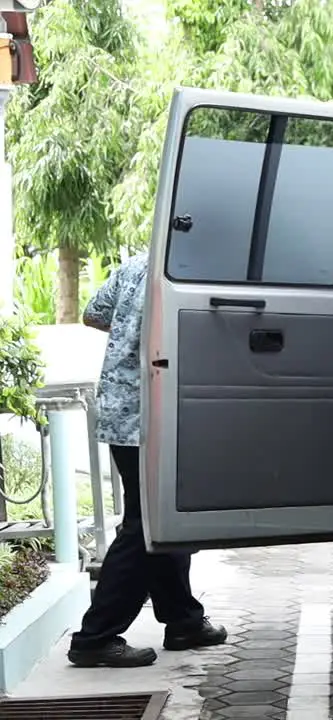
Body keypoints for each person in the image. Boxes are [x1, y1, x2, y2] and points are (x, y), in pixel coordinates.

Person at [67, 254, 227, 669]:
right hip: (154, 412)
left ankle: (183, 620)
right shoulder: (191, 269)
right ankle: (95, 637)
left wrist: (129, 330)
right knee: (147, 526)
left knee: (165, 518)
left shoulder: (137, 264)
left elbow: (93, 313)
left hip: (125, 411)